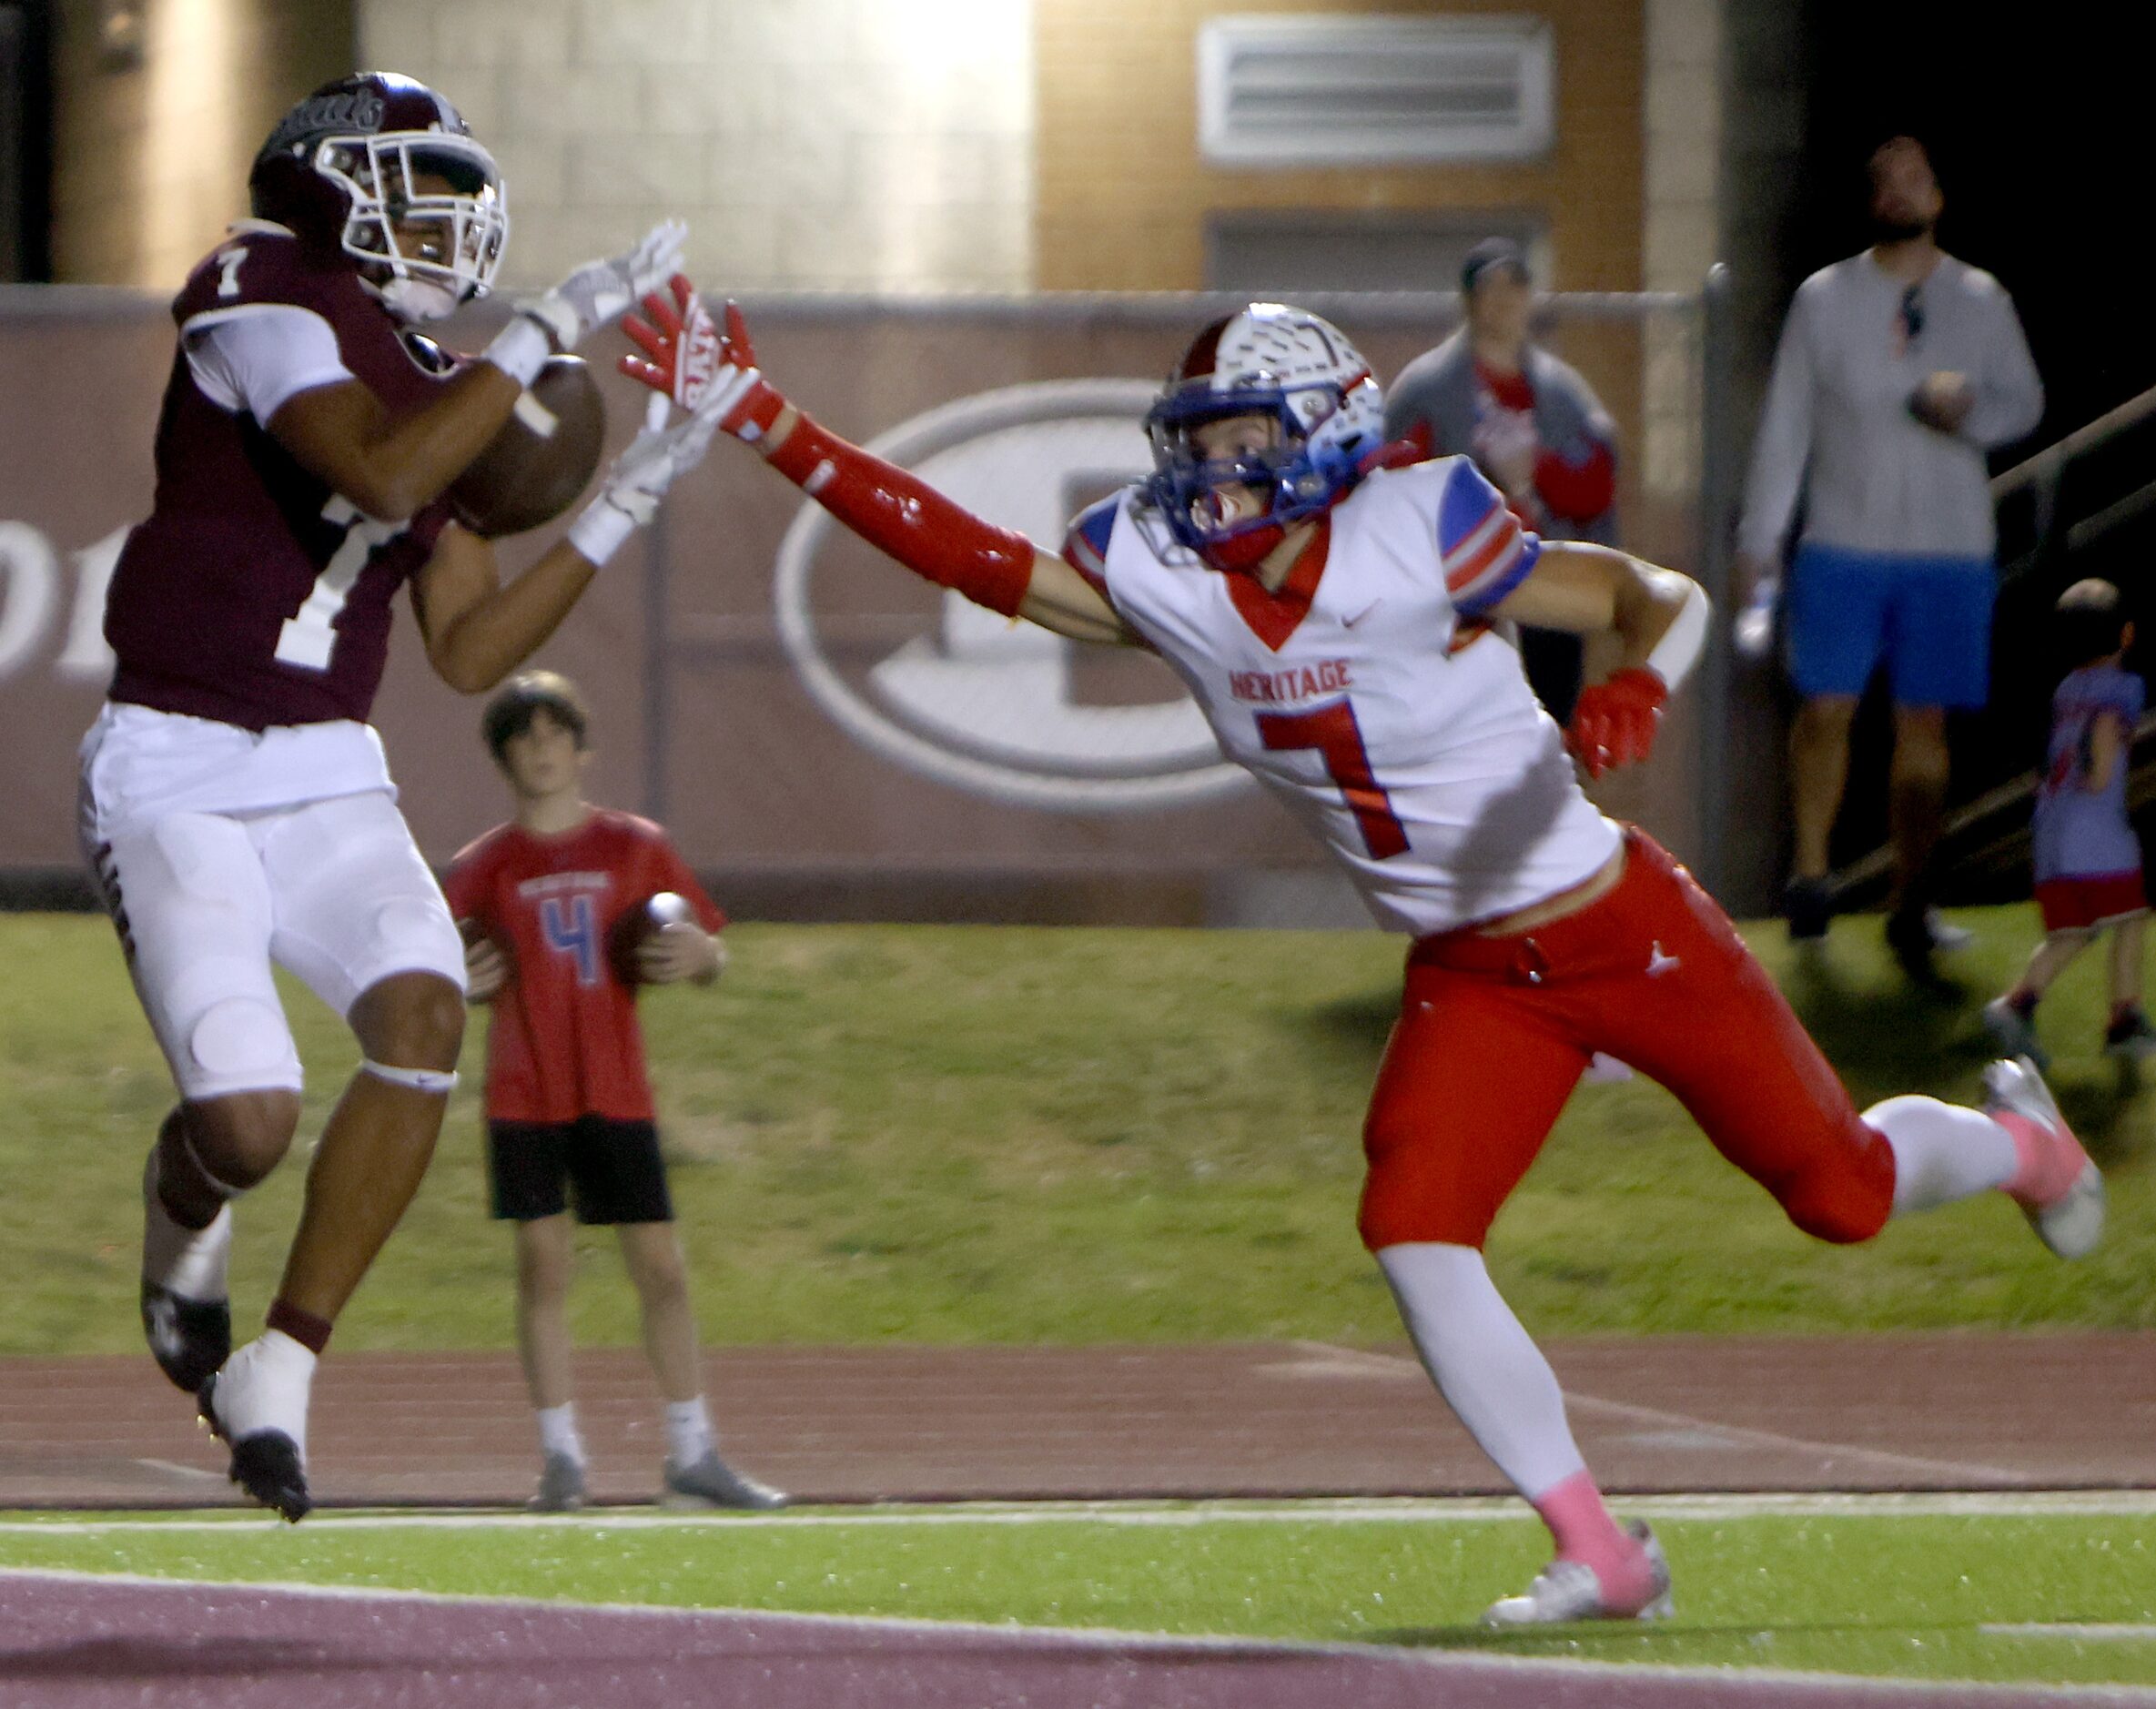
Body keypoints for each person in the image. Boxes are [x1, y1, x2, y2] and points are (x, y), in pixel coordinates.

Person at [624, 286, 2105, 1623]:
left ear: (1328, 433)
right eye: (1193, 441)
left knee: (1835, 1195)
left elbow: (1650, 594)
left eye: (1241, 436)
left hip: (1610, 917)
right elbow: (966, 557)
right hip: (1470, 971)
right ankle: (1598, 1545)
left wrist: (1634, 682)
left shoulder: (1420, 518)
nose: (1205, 471)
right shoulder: (1162, 564)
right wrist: (766, 420)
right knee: (1411, 1223)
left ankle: (2020, 1146)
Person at [80, 73, 728, 1522]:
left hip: (326, 767)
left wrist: (622, 496)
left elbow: (469, 650)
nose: (443, 223)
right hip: (177, 762)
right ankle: (184, 1218)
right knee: (245, 1123)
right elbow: (375, 463)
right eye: (416, 185)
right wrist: (544, 335)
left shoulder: (443, 380)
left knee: (426, 1008)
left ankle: (281, 1375)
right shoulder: (261, 286)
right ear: (329, 176)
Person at [443, 672, 786, 1513]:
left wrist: (705, 960)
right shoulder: (480, 867)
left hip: (614, 1083)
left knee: (662, 1269)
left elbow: (706, 948)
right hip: (524, 1089)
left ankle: (692, 1451)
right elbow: (431, 972)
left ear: (582, 747)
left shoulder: (636, 846)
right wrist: (454, 977)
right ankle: (562, 1458)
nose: (542, 749)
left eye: (556, 733)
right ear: (504, 758)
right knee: (543, 1267)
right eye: (523, 737)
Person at [1739, 136, 2043, 978]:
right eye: (1883, 180)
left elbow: (2025, 400)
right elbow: (1787, 423)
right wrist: (1760, 539)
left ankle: (1913, 899)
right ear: (1871, 200)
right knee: (1824, 709)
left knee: (1924, 722)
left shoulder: (1979, 299)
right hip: (1842, 540)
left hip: (1947, 547)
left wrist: (1968, 407)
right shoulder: (1824, 299)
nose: (1898, 191)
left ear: (1938, 197)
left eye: (1914, 178)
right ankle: (1810, 879)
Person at [1384, 237, 1620, 724]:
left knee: (1552, 725)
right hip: (1459, 595)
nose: (1507, 301)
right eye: (1492, 289)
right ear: (1470, 301)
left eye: (1517, 287)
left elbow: (1596, 486)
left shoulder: (1560, 391)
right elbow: (1394, 484)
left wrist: (1539, 473)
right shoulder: (1428, 389)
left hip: (1547, 583)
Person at [1985, 581, 2153, 1066]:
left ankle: (2016, 1006)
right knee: (2129, 918)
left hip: (2052, 828)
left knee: (2074, 932)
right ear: (2126, 635)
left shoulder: (2066, 689)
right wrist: (2102, 775)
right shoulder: (2124, 688)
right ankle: (2125, 1018)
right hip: (2095, 830)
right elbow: (2102, 737)